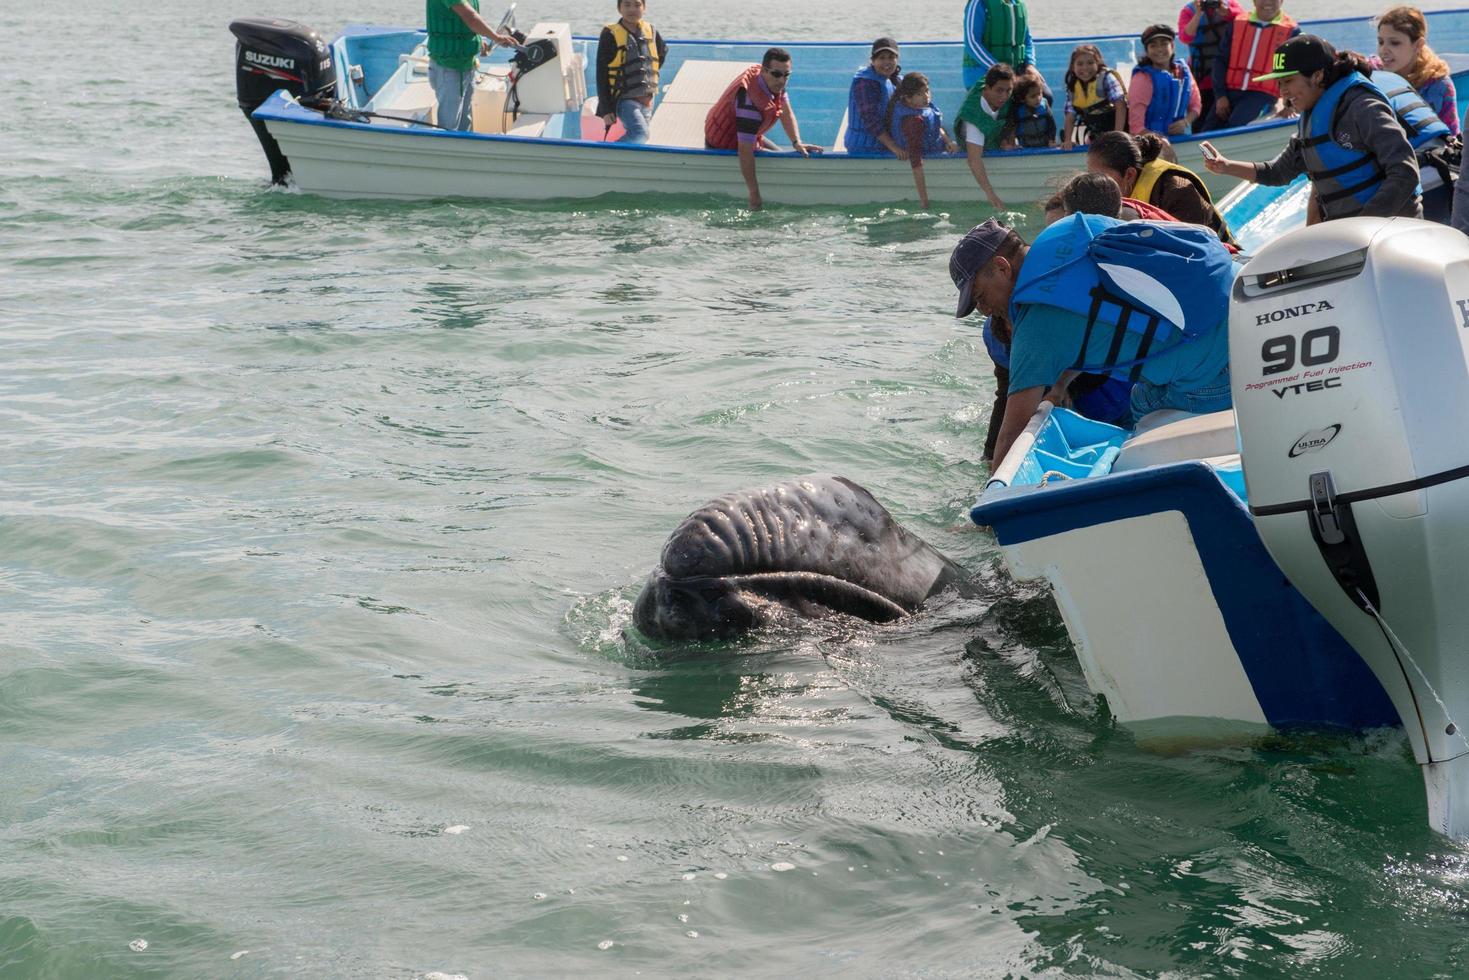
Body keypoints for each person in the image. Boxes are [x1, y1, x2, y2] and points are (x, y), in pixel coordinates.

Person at [952, 215, 1237, 468]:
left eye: (979, 297)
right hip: (1238, 309)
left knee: (1137, 416)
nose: (985, 311)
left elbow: (1013, 431)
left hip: (1215, 377)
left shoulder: (1036, 325)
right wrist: (1060, 385)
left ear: (1002, 268)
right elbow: (1096, 315)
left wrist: (988, 510)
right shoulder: (1070, 230)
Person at [1203, 36, 1423, 221]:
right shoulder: (1312, 116)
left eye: (1288, 81)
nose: (1283, 93)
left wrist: (1365, 228)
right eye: (1279, 83)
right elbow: (1278, 172)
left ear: (1317, 75)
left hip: (1391, 232)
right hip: (1355, 236)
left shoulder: (1362, 107)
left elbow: (1405, 173)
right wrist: (1225, 166)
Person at [704, 49, 823, 210]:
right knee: (771, 162)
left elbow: (786, 112)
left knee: (781, 154)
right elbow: (745, 151)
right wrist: (754, 193)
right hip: (725, 144)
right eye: (776, 74)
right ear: (764, 71)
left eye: (786, 75)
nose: (782, 80)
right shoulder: (749, 103)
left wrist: (796, 142)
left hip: (749, 135)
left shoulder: (775, 84)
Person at [1087, 131, 1235, 242]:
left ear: (1129, 175)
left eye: (1101, 177)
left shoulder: (1177, 190)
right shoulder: (1123, 189)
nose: (1096, 184)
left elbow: (1196, 250)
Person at [1204, 0, 1300, 131]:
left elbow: (1293, 72)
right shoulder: (1237, 23)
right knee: (1208, 128)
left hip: (1262, 95)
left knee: (1236, 126)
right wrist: (1220, 95)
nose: (1268, 2)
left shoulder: (1291, 31)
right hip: (1229, 91)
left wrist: (1289, 104)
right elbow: (1220, 60)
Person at [426, 0, 517, 131]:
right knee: (448, 126)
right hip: (448, 68)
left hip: (467, 64)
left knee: (465, 121)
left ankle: (463, 149)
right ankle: (447, 150)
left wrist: (479, 42)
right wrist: (496, 37)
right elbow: (470, 16)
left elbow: (465, 22)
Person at [595, 0, 669, 144]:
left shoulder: (651, 31)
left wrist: (645, 74)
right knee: (640, 133)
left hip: (647, 101)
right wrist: (605, 109)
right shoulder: (609, 34)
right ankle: (607, 155)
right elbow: (601, 74)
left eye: (637, 5)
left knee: (641, 142)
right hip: (624, 100)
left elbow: (661, 53)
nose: (632, 9)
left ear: (644, 8)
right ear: (619, 8)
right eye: (627, 5)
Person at [1376, 6, 1459, 135]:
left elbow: (1451, 138)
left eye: (1395, 43)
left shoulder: (1439, 85)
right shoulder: (1373, 74)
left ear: (1418, 45)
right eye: (1380, 42)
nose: (1383, 50)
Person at [885, 73, 959, 208]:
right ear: (907, 98)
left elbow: (936, 126)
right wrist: (924, 200)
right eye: (920, 94)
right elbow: (916, 162)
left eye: (927, 91)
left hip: (936, 146)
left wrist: (949, 142)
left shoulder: (922, 106)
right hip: (921, 152)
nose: (926, 96)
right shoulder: (912, 122)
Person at [954, 63, 1016, 211]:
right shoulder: (974, 120)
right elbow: (974, 160)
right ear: (986, 88)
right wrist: (991, 195)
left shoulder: (1002, 89)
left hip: (994, 132)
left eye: (1009, 90)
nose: (1004, 96)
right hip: (978, 141)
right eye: (999, 91)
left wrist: (1009, 140)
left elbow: (1010, 116)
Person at [1178, 0, 1245, 126]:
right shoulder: (1188, 11)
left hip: (1228, 78)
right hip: (1202, 79)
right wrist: (1198, 15)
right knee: (1202, 121)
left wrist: (1227, 13)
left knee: (1226, 118)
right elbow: (1185, 37)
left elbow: (1245, 23)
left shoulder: (1231, 5)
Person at [1130, 24, 1202, 137]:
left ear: (1172, 46)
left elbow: (1196, 106)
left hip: (1178, 138)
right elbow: (1136, 127)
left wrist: (1185, 122)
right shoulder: (1142, 79)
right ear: (1147, 51)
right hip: (1149, 144)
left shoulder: (1183, 72)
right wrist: (1160, 142)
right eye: (1153, 46)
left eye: (1164, 44)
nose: (1159, 49)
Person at [844, 38, 904, 155]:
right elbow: (870, 119)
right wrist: (894, 147)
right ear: (872, 60)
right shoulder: (865, 82)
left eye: (891, 58)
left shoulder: (896, 80)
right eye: (881, 58)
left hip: (883, 145)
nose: (887, 62)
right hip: (864, 147)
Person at [1061, 44, 1127, 150]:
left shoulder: (1106, 78)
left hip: (1120, 132)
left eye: (1090, 63)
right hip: (1096, 135)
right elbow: (1070, 116)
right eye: (1080, 64)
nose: (1085, 68)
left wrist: (1117, 135)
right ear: (1073, 67)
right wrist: (1067, 140)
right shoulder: (1073, 86)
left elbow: (1121, 105)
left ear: (1098, 63)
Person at [963, 0, 1035, 89]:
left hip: (1015, 73)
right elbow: (972, 42)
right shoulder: (978, 3)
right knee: (1003, 97)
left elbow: (1026, 39)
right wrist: (1002, 72)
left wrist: (1030, 65)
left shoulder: (1016, 4)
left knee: (1045, 95)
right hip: (983, 75)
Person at [1007, 75, 1057, 148]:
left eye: (1039, 94)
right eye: (1033, 96)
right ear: (1023, 99)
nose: (1038, 98)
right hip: (1025, 147)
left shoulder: (1044, 105)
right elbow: (1012, 128)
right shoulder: (1018, 110)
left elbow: (1052, 125)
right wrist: (1012, 144)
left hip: (1044, 145)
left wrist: (1051, 141)